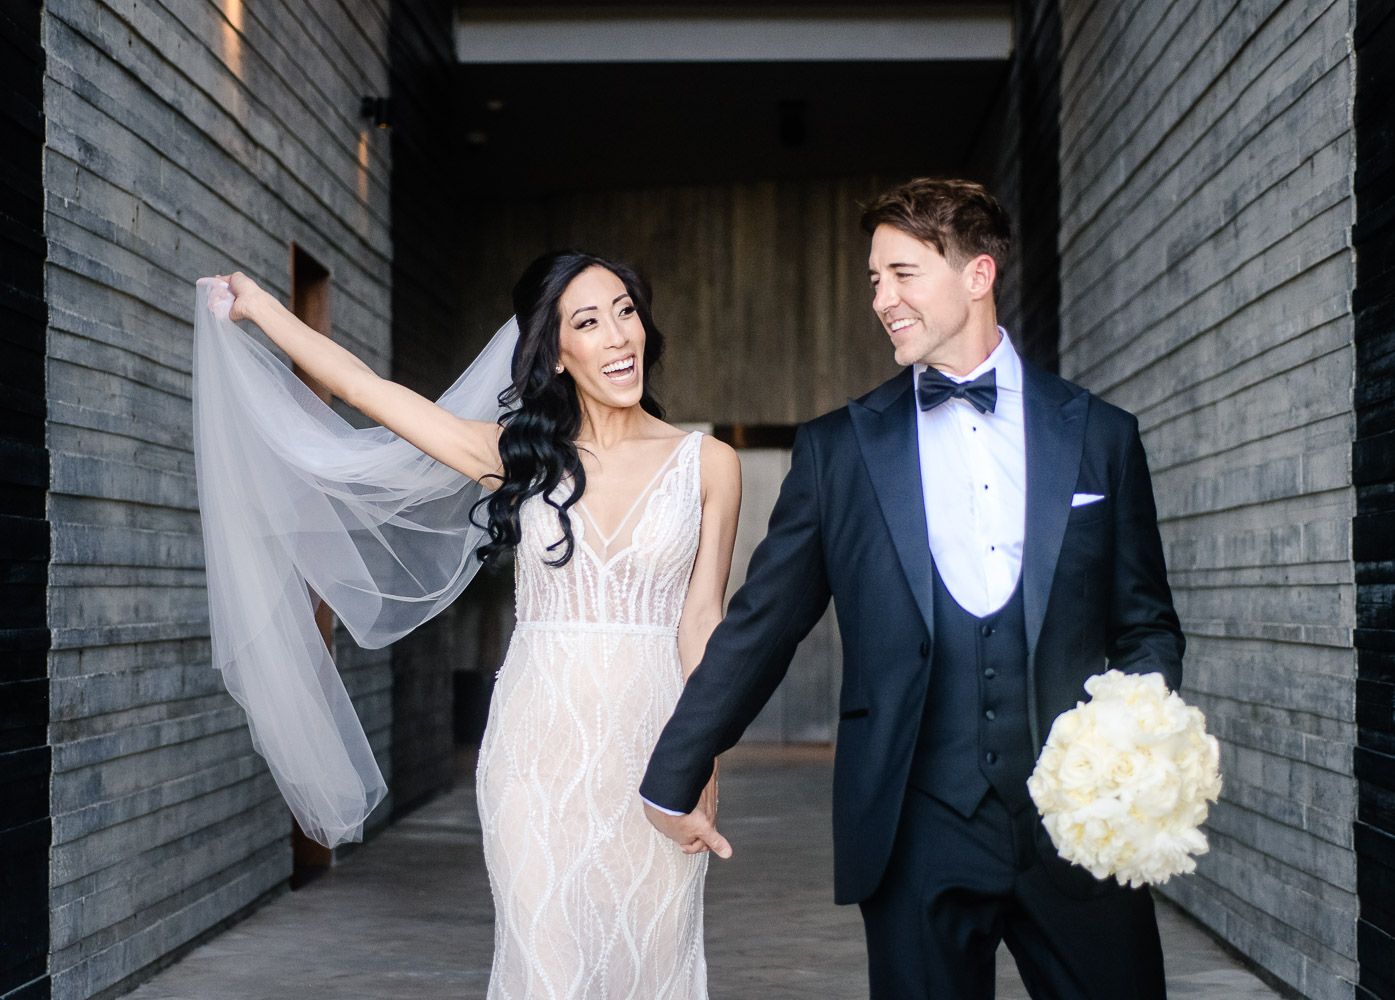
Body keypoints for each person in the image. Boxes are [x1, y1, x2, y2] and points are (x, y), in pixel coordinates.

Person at [639, 178, 1184, 1000]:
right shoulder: (838, 451)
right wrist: (674, 770)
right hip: (914, 827)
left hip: (1081, 833)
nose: (882, 299)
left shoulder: (1102, 435)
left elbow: (1147, 626)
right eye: (873, 281)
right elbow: (763, 624)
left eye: (902, 274)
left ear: (977, 274)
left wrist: (1126, 750)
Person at [201, 250, 741, 1000]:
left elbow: (703, 622)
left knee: (650, 965)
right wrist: (261, 308)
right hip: (533, 753)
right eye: (589, 321)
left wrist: (702, 763)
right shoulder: (516, 459)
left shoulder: (708, 463)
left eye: (626, 311)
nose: (619, 336)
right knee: (548, 974)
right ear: (557, 352)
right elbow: (369, 391)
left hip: (654, 749)